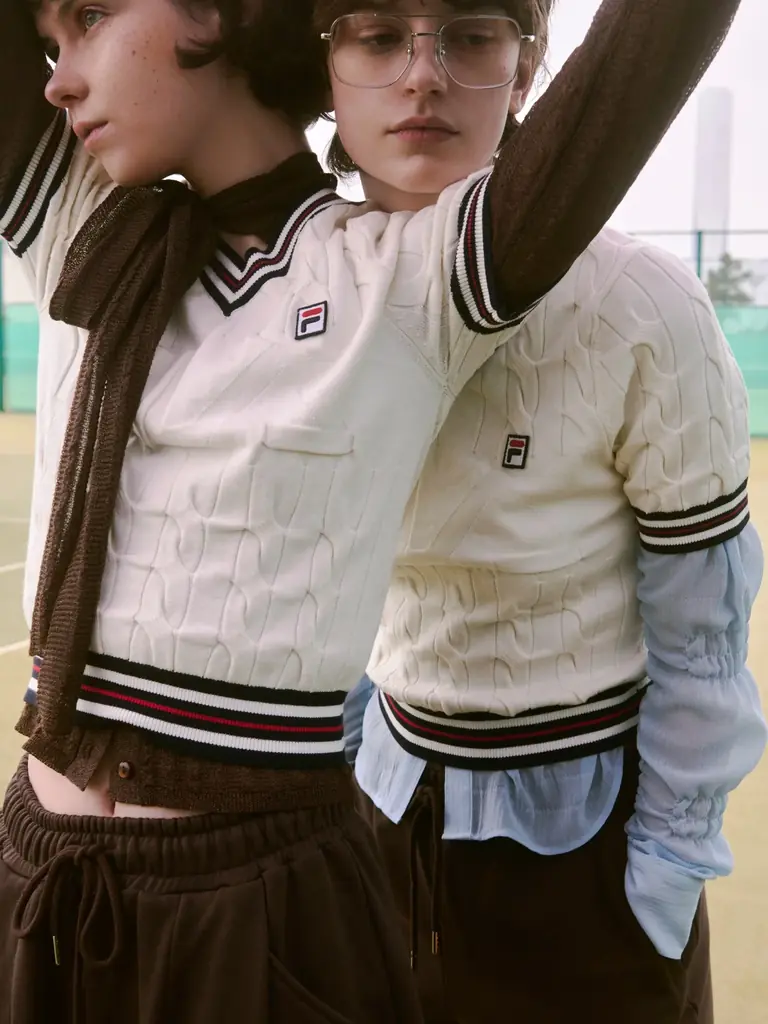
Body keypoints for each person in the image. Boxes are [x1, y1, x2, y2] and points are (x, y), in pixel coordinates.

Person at [0, 0, 747, 1017]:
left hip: (309, 887)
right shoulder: (87, 231)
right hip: (58, 869)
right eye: (379, 37)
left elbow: (645, 58)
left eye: (90, 17)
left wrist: (664, 871)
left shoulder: (412, 276)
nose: (58, 76)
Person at [320, 1, 767, 1022]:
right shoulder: (304, 296)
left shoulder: (645, 303)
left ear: (529, 70)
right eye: (379, 36)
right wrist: (346, 783)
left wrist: (660, 881)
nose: (423, 74)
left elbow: (702, 635)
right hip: (379, 827)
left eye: (471, 35)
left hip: (592, 864)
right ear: (326, 68)